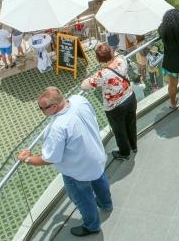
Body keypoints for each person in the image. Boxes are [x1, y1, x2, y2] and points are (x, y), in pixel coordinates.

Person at [18, 88, 111, 237]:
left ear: (53, 107)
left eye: (42, 108)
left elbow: (49, 158)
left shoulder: (58, 128)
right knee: (100, 180)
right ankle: (106, 204)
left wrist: (27, 159)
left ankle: (92, 226)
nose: (40, 111)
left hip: (77, 171)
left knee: (83, 199)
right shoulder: (79, 101)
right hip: (96, 157)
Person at [81, 43, 138, 160]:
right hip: (130, 97)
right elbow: (116, 54)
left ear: (98, 59)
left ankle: (124, 153)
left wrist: (94, 75)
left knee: (119, 131)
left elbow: (84, 86)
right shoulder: (121, 60)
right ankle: (134, 146)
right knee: (131, 123)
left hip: (114, 107)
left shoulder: (101, 75)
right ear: (111, 52)